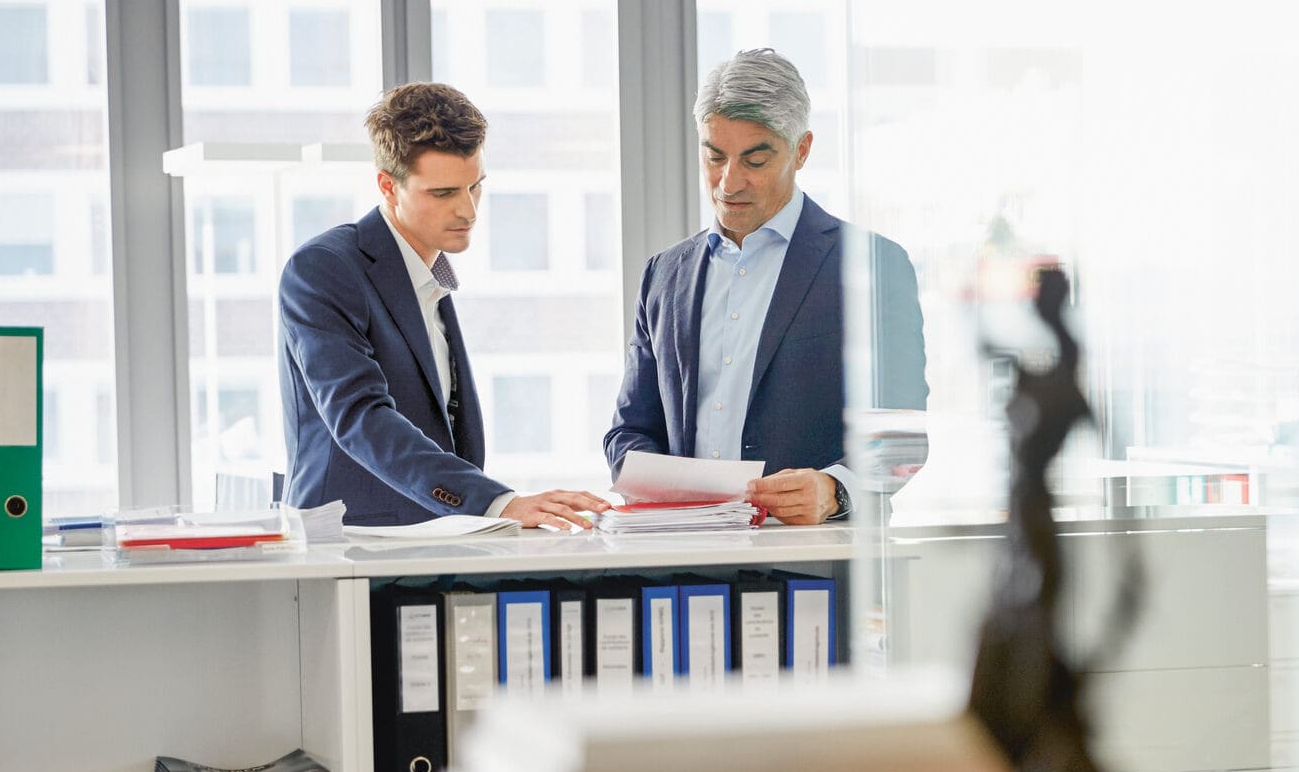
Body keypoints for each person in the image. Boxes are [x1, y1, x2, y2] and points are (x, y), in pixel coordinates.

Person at [602, 48, 926, 524]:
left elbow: (903, 438)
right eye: (715, 156)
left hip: (813, 560)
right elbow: (629, 430)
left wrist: (836, 490)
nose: (729, 182)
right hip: (682, 558)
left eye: (755, 159)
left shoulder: (873, 266)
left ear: (802, 149)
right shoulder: (663, 275)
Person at [279, 82, 611, 529]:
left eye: (475, 187)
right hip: (352, 540)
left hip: (434, 538)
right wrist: (498, 503)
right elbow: (361, 419)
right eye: (444, 193)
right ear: (388, 186)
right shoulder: (324, 269)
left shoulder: (429, 274)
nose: (469, 211)